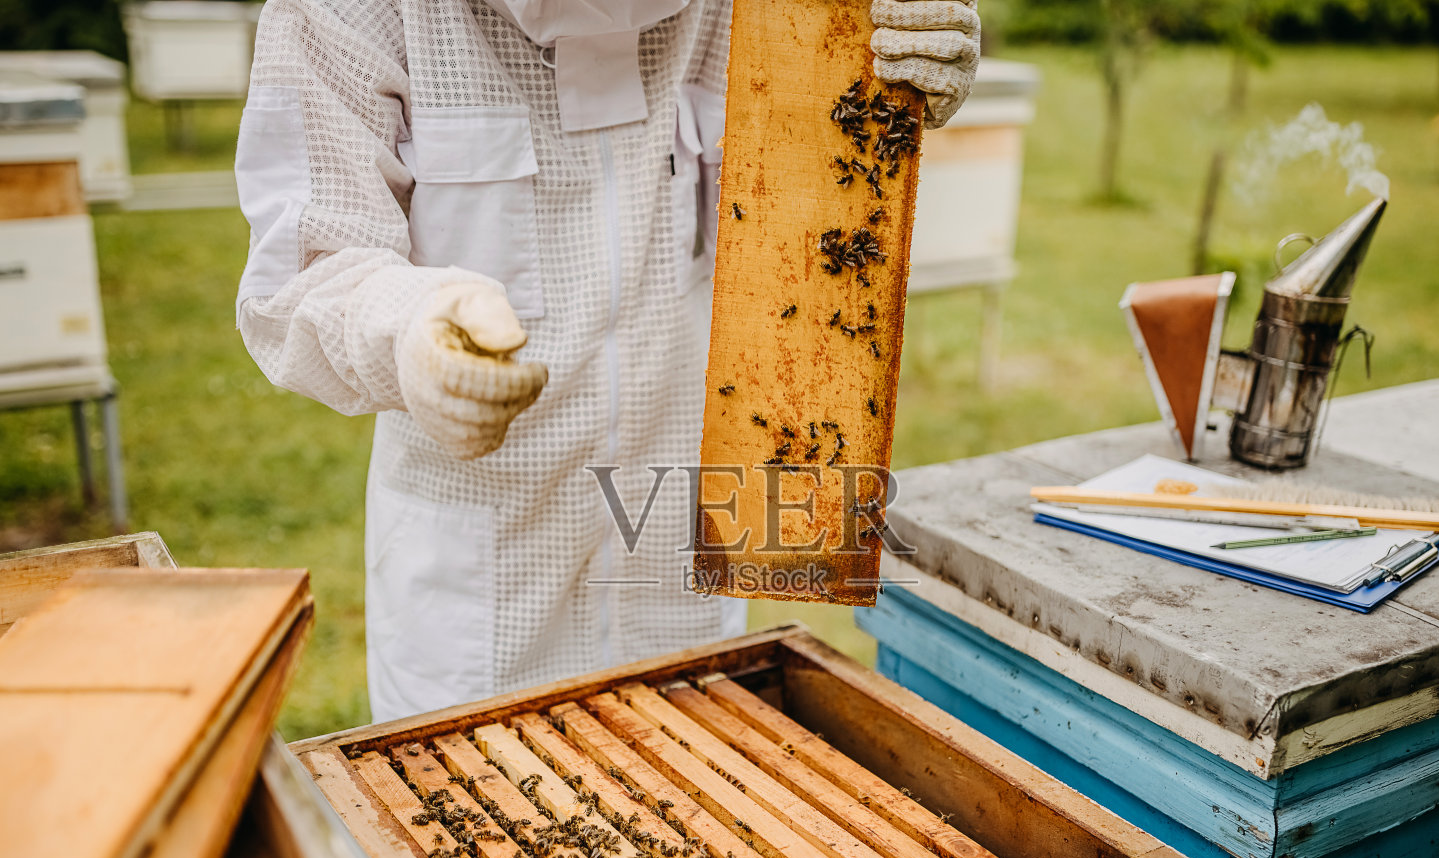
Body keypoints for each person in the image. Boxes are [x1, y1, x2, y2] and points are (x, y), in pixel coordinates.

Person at [235, 0, 979, 722]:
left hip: (679, 567)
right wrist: (403, 328)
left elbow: (823, 202)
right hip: (481, 608)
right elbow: (304, 266)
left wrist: (893, 73)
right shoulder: (352, 10)